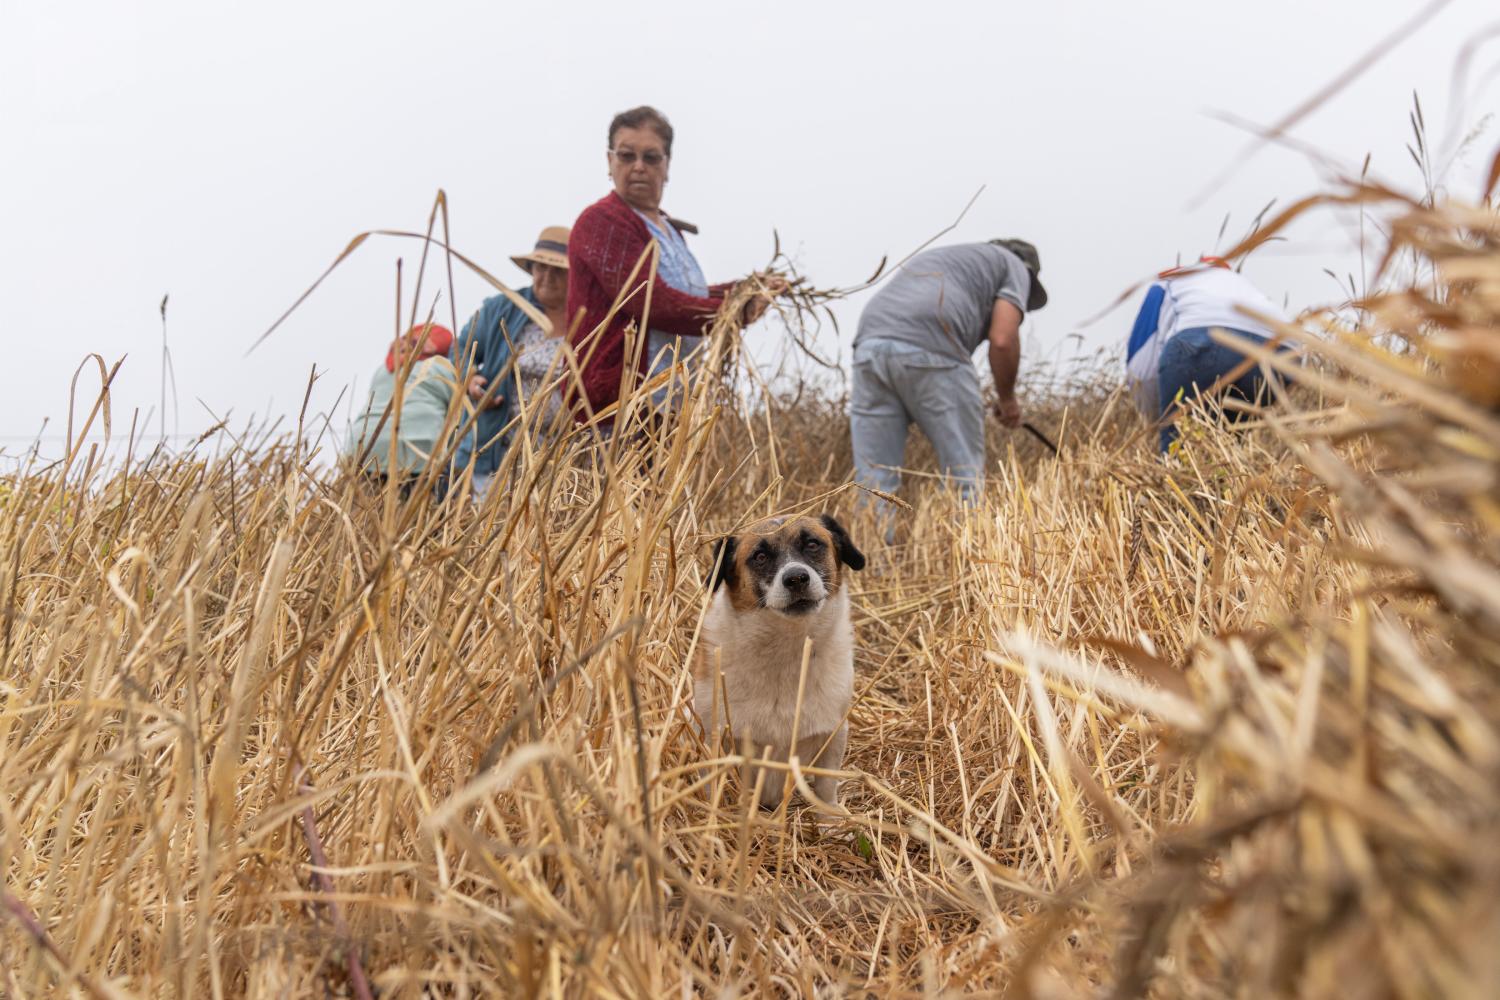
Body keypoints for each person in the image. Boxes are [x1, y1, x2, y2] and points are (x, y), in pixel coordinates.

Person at [566, 105, 777, 425]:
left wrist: (746, 288)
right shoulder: (603, 221)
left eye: (651, 157)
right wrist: (733, 311)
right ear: (609, 162)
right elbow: (653, 301)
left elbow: (684, 294)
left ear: (667, 166)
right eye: (626, 156)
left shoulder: (668, 230)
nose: (638, 167)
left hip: (669, 406)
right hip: (620, 411)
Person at [849, 239, 1049, 532]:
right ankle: (965, 564)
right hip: (933, 348)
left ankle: (874, 568)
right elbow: (1003, 339)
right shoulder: (1015, 266)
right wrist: (1007, 400)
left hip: (869, 346)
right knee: (963, 476)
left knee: (874, 482)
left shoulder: (954, 258)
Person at [450, 226, 571, 500]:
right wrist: (469, 377)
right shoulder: (502, 309)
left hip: (558, 455)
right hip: (497, 448)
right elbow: (460, 349)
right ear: (531, 269)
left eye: (559, 270)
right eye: (541, 268)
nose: (548, 277)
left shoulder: (585, 318)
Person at [1125, 258, 1289, 452]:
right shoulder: (1239, 282)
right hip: (1282, 352)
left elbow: (1140, 371)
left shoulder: (1165, 283)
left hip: (1203, 341)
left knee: (1180, 449)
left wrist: (1158, 419)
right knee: (1230, 448)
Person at [346, 322, 459, 497]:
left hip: (364, 445)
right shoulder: (440, 369)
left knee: (369, 511)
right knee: (436, 510)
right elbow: (460, 416)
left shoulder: (383, 370)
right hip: (418, 447)